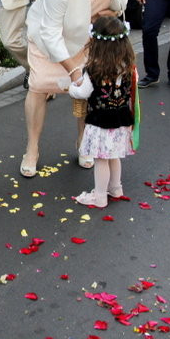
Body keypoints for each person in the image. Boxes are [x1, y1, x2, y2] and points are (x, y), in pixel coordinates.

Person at [21, 0, 130, 175]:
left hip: (89, 36)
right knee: (39, 87)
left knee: (88, 90)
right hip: (51, 36)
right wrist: (73, 70)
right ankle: (32, 148)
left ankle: (84, 141)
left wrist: (116, 9)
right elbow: (50, 33)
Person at [69, 16, 136, 209]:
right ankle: (115, 188)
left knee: (100, 159)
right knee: (113, 155)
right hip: (121, 118)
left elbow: (83, 93)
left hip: (101, 121)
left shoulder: (94, 69)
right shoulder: (127, 66)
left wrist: (72, 88)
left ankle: (99, 196)